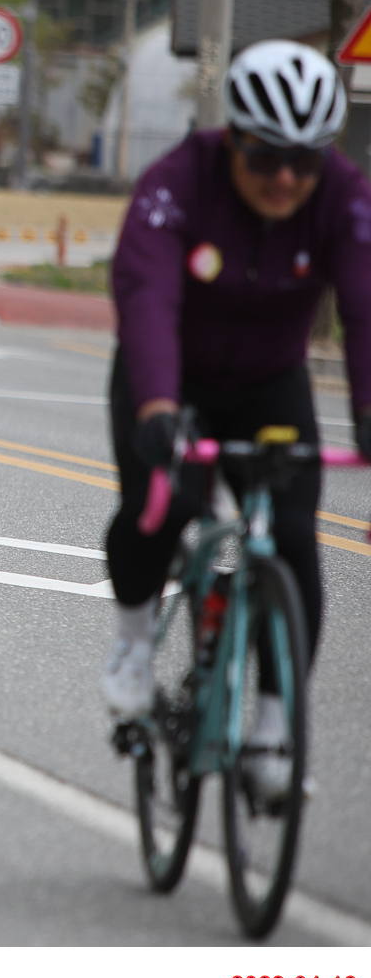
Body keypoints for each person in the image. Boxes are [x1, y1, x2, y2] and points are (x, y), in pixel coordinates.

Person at [102, 40, 371, 799]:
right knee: (165, 506)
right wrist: (158, 406)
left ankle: (274, 727)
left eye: (304, 161)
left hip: (269, 384)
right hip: (171, 379)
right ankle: (132, 647)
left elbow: (365, 309)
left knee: (292, 538)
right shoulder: (178, 182)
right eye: (265, 158)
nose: (285, 179)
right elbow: (148, 297)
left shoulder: (343, 196)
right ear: (233, 141)